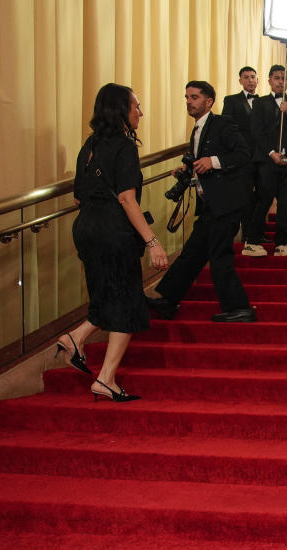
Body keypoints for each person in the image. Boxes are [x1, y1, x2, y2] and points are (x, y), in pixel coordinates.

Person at [59, 83, 168, 402]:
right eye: (136, 106)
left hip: (86, 228)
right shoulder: (124, 146)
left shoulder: (90, 145)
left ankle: (77, 339)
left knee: (109, 294)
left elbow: (79, 197)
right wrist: (153, 242)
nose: (140, 112)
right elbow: (126, 198)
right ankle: (104, 377)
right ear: (120, 110)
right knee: (129, 301)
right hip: (112, 230)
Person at [146, 81, 255, 323]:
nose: (188, 101)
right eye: (186, 97)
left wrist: (212, 161)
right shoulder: (197, 129)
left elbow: (242, 153)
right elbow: (203, 161)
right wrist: (188, 169)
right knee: (193, 253)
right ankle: (167, 299)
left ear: (209, 102)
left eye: (194, 97)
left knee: (219, 256)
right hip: (210, 205)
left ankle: (239, 307)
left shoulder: (221, 123)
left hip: (226, 203)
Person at [248, 64, 287, 257]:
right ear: (270, 80)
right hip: (267, 160)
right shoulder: (260, 103)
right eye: (277, 78)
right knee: (263, 200)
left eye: (284, 79)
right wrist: (271, 153)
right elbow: (256, 131)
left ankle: (282, 242)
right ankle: (252, 241)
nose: (281, 82)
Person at [223, 66, 262, 253]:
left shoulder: (265, 102)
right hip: (242, 158)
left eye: (253, 77)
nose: (250, 80)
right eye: (246, 77)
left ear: (258, 80)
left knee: (261, 196)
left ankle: (257, 233)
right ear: (240, 80)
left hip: (262, 157)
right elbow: (226, 126)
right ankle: (246, 235)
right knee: (245, 197)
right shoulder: (231, 100)